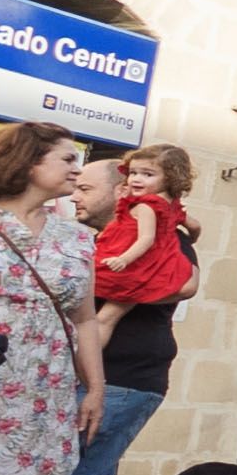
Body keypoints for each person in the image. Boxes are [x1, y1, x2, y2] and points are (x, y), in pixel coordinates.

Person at [22, 159, 189, 475]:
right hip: (98, 381)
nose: (75, 198)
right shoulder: (97, 240)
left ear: (119, 192)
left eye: (85, 189)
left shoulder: (163, 235)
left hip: (119, 383)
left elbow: (189, 281)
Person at [0, 124, 102, 475]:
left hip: (39, 390)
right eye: (68, 158)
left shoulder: (77, 238)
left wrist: (93, 387)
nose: (78, 170)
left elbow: (85, 318)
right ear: (27, 160)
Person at [89, 142, 194, 345]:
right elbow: (194, 225)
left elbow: (146, 239)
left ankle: (85, 364)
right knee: (104, 318)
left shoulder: (146, 206)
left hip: (139, 267)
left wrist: (123, 259)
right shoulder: (172, 206)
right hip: (158, 263)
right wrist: (193, 236)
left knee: (104, 319)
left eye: (147, 174)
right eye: (133, 173)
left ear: (170, 177)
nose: (136, 179)